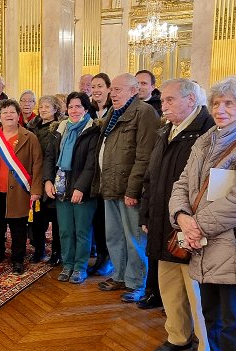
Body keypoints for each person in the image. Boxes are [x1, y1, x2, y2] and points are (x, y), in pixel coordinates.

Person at [169, 76, 236, 351]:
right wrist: (182, 218)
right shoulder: (205, 142)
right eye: (217, 103)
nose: (220, 109)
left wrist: (195, 226)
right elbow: (182, 183)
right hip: (207, 248)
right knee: (212, 323)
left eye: (229, 103)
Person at [140, 78, 214, 351]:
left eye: (170, 100)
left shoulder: (208, 132)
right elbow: (152, 176)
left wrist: (194, 223)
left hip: (189, 225)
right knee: (169, 285)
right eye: (163, 101)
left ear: (191, 100)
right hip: (162, 219)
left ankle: (203, 342)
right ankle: (178, 337)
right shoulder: (166, 130)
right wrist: (146, 214)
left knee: (195, 291)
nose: (164, 105)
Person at [91, 73, 160, 304]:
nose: (113, 94)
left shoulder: (144, 113)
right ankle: (119, 276)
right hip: (110, 185)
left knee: (134, 239)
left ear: (134, 91)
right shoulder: (114, 112)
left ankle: (136, 283)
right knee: (114, 236)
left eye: (118, 90)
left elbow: (144, 157)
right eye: (113, 90)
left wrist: (133, 190)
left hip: (128, 190)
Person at [0, 99, 43, 279]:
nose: (9, 115)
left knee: (18, 229)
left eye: (12, 112)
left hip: (19, 192)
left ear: (18, 115)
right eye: (5, 113)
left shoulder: (30, 138)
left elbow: (37, 165)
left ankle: (17, 261)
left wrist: (36, 190)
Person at [44, 92, 100, 284]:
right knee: (65, 230)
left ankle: (79, 267)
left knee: (82, 231)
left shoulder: (93, 130)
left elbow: (92, 164)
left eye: (78, 106)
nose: (74, 110)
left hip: (83, 189)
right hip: (61, 187)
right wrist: (47, 180)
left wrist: (80, 187)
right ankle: (67, 265)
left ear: (85, 109)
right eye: (71, 107)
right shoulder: (59, 129)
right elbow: (50, 157)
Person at [27, 95, 63, 265]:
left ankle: (57, 251)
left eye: (47, 107)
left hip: (53, 177)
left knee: (55, 218)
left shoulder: (60, 128)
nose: (43, 110)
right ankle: (39, 249)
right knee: (37, 218)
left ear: (56, 109)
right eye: (41, 106)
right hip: (34, 178)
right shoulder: (32, 126)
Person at [88, 72, 114, 277]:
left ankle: (109, 259)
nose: (96, 90)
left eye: (100, 86)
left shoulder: (114, 112)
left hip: (108, 172)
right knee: (96, 218)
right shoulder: (87, 110)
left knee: (109, 221)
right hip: (91, 173)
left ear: (108, 88)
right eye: (93, 86)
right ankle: (100, 257)